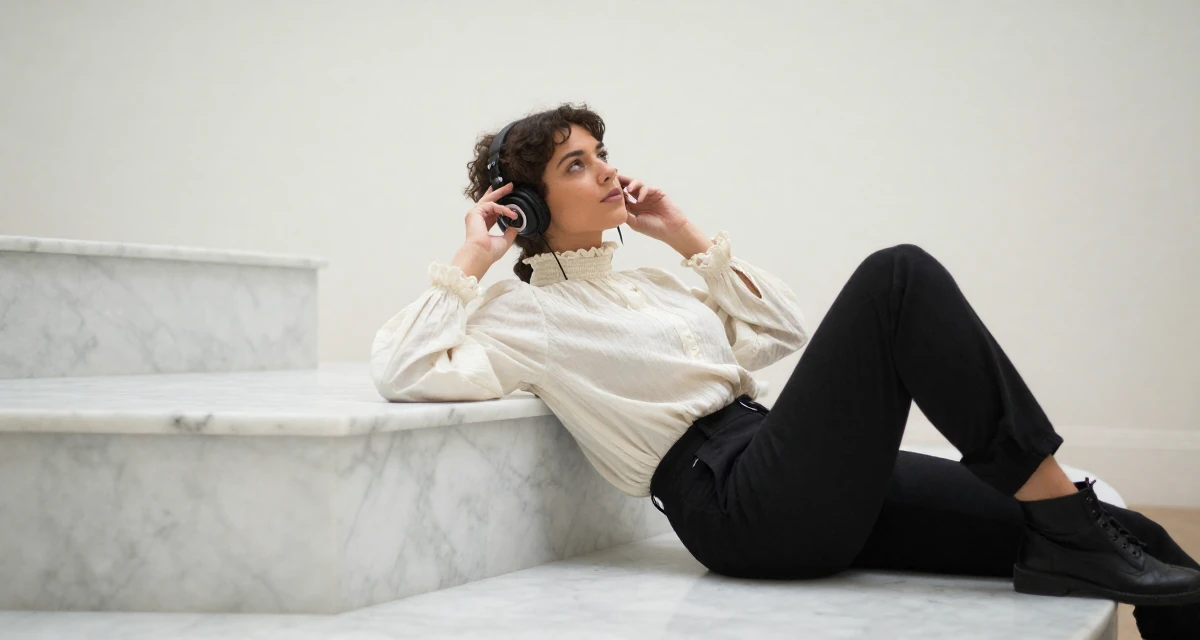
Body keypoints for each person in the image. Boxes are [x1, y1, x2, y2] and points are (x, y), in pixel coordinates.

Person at [369, 102, 1199, 637]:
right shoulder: (524, 315)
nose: (608, 170)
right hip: (739, 504)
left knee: (1128, 535)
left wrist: (684, 235)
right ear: (528, 205)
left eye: (602, 153)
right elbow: (403, 366)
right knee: (897, 277)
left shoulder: (653, 287)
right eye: (575, 165)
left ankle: (1073, 533)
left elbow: (778, 329)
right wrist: (474, 256)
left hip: (789, 466)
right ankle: (1067, 529)